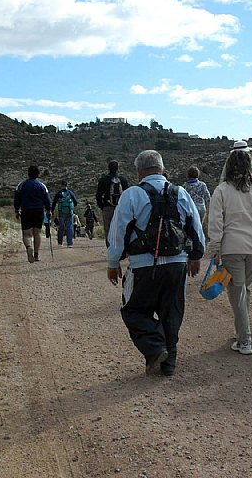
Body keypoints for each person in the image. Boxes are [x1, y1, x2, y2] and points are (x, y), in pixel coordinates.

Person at [106, 150, 205, 376]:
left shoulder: (132, 194)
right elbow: (196, 229)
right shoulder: (181, 193)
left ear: (139, 171)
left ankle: (155, 348)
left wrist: (113, 262)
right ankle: (168, 364)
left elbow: (118, 231)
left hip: (142, 267)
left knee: (133, 311)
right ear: (161, 168)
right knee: (171, 313)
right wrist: (196, 256)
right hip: (177, 264)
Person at [209, 147, 252, 355]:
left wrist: (214, 248)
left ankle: (245, 340)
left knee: (237, 293)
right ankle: (241, 332)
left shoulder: (221, 190)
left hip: (232, 248)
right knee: (244, 290)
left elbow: (216, 222)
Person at [14, 165, 52, 263]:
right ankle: (36, 254)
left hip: (26, 210)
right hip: (38, 211)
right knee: (37, 233)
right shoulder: (42, 185)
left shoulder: (21, 185)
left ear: (28, 173)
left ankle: (28, 247)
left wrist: (16, 210)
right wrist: (49, 211)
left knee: (26, 234)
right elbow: (47, 200)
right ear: (38, 174)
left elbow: (17, 200)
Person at [96, 160, 130, 246]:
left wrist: (102, 206)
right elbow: (127, 195)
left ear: (108, 168)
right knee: (121, 229)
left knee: (108, 229)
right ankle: (121, 249)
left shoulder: (103, 180)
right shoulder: (123, 180)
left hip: (107, 207)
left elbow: (98, 195)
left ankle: (110, 249)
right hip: (120, 208)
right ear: (117, 168)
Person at [51, 180, 79, 248]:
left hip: (61, 211)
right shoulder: (70, 192)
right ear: (67, 185)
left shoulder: (59, 193)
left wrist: (52, 211)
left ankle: (60, 242)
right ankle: (69, 243)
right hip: (69, 211)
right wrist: (72, 207)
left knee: (61, 227)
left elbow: (54, 203)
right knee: (69, 227)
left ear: (61, 185)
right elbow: (76, 202)